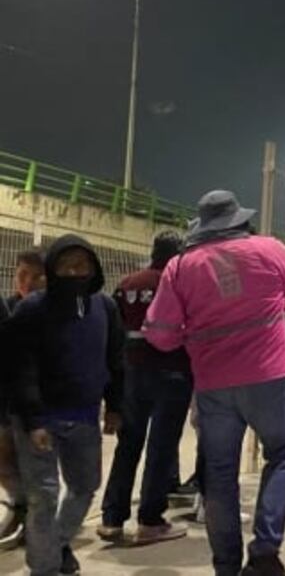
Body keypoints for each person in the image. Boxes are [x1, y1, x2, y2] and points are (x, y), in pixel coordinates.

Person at [144, 190, 285, 576]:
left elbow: (161, 333)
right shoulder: (269, 248)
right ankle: (265, 552)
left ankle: (227, 566)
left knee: (218, 474)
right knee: (283, 453)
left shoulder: (180, 267)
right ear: (238, 220)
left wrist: (194, 334)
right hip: (269, 376)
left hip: (214, 384)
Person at [3, 235, 125, 575]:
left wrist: (115, 405)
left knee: (85, 487)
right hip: (39, 420)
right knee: (44, 496)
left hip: (85, 417)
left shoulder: (105, 308)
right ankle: (44, 568)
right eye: (66, 266)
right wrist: (34, 419)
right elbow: (19, 368)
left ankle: (51, 547)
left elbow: (116, 359)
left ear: (94, 268)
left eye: (82, 265)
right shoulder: (32, 309)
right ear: (53, 270)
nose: (74, 272)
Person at [97, 232, 193, 545]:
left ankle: (112, 519)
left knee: (129, 444)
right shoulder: (180, 282)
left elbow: (112, 329)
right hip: (173, 371)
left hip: (133, 373)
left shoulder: (127, 283)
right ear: (178, 254)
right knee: (162, 447)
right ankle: (150, 519)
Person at [0, 249, 46, 551]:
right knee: (4, 462)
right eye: (21, 274)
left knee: (36, 470)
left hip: (39, 408)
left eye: (34, 277)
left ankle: (38, 525)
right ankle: (19, 507)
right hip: (6, 402)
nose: (25, 282)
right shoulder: (8, 307)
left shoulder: (55, 314)